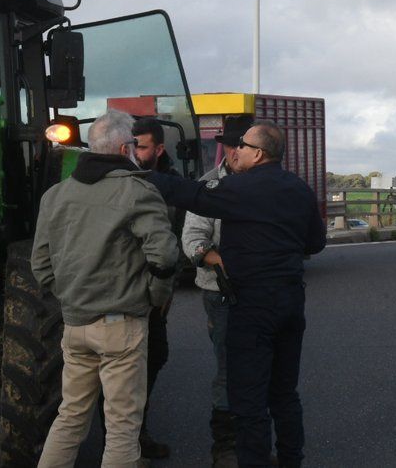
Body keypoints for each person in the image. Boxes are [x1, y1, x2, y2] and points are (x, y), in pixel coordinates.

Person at [144, 120, 326, 468]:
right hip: (291, 302)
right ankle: (291, 460)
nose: (235, 150)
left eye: (241, 145)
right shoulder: (299, 189)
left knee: (248, 398)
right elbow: (315, 242)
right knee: (285, 394)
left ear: (258, 153)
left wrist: (138, 175)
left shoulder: (240, 188)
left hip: (252, 305)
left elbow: (191, 194)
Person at [31, 110, 178, 468]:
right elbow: (165, 255)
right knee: (122, 428)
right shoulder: (136, 190)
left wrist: (69, 296)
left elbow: (40, 264)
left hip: (75, 323)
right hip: (121, 324)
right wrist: (153, 297)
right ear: (126, 147)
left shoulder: (56, 195)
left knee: (70, 418)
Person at [181, 114, 254, 467]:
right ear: (227, 148)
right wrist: (217, 260)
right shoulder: (209, 186)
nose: (239, 150)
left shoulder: (269, 185)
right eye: (236, 143)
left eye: (246, 144)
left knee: (263, 367)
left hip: (263, 292)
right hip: (220, 293)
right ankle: (224, 447)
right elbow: (192, 239)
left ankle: (254, 443)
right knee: (228, 368)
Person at [128, 116, 184, 460]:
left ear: (159, 149)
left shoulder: (171, 186)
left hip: (153, 290)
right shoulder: (120, 180)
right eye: (132, 145)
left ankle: (136, 432)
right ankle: (124, 438)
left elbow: (172, 245)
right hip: (122, 289)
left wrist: (166, 291)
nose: (135, 152)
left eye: (142, 146)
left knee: (154, 355)